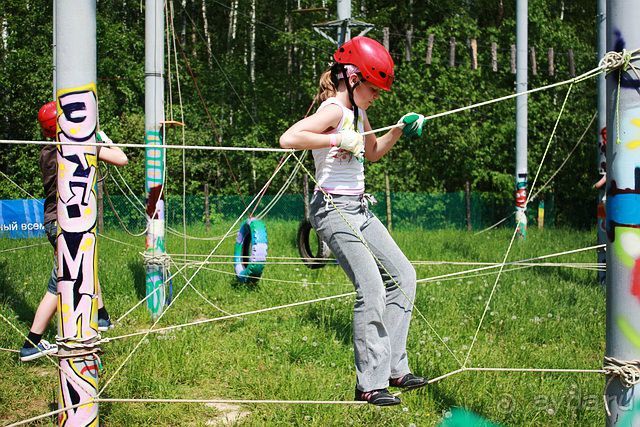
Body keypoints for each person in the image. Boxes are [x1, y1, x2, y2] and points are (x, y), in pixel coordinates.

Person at [279, 36, 427, 406]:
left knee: (404, 276)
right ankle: (370, 385)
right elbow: (288, 138)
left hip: (360, 209)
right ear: (352, 77)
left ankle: (395, 368)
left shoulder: (360, 114)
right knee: (372, 288)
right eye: (373, 89)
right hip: (332, 209)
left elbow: (373, 152)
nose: (376, 96)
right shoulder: (334, 110)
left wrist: (399, 129)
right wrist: (336, 141)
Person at [19, 101, 128, 362]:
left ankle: (101, 316)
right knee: (62, 280)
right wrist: (101, 137)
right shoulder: (76, 146)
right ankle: (31, 343)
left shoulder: (46, 150)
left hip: (55, 220)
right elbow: (122, 158)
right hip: (66, 223)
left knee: (84, 265)